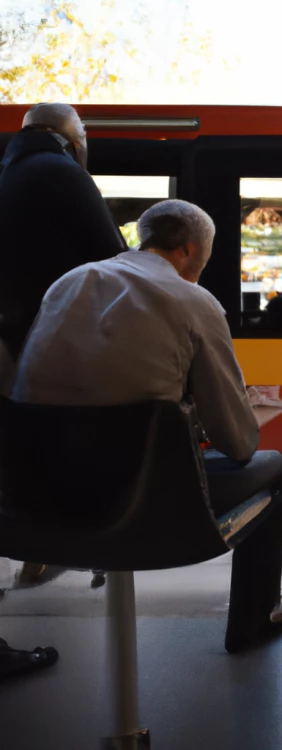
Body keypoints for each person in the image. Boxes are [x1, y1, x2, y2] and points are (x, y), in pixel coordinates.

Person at [12, 200, 282, 654]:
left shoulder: (68, 283)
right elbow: (239, 443)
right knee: (270, 466)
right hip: (150, 508)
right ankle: (252, 622)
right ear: (189, 249)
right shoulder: (194, 302)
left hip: (37, 502)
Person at [0, 103, 126, 590]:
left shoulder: (10, 172)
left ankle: (37, 553)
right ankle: (101, 543)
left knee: (30, 450)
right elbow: (115, 261)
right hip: (54, 336)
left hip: (12, 343)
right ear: (74, 141)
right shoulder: (63, 173)